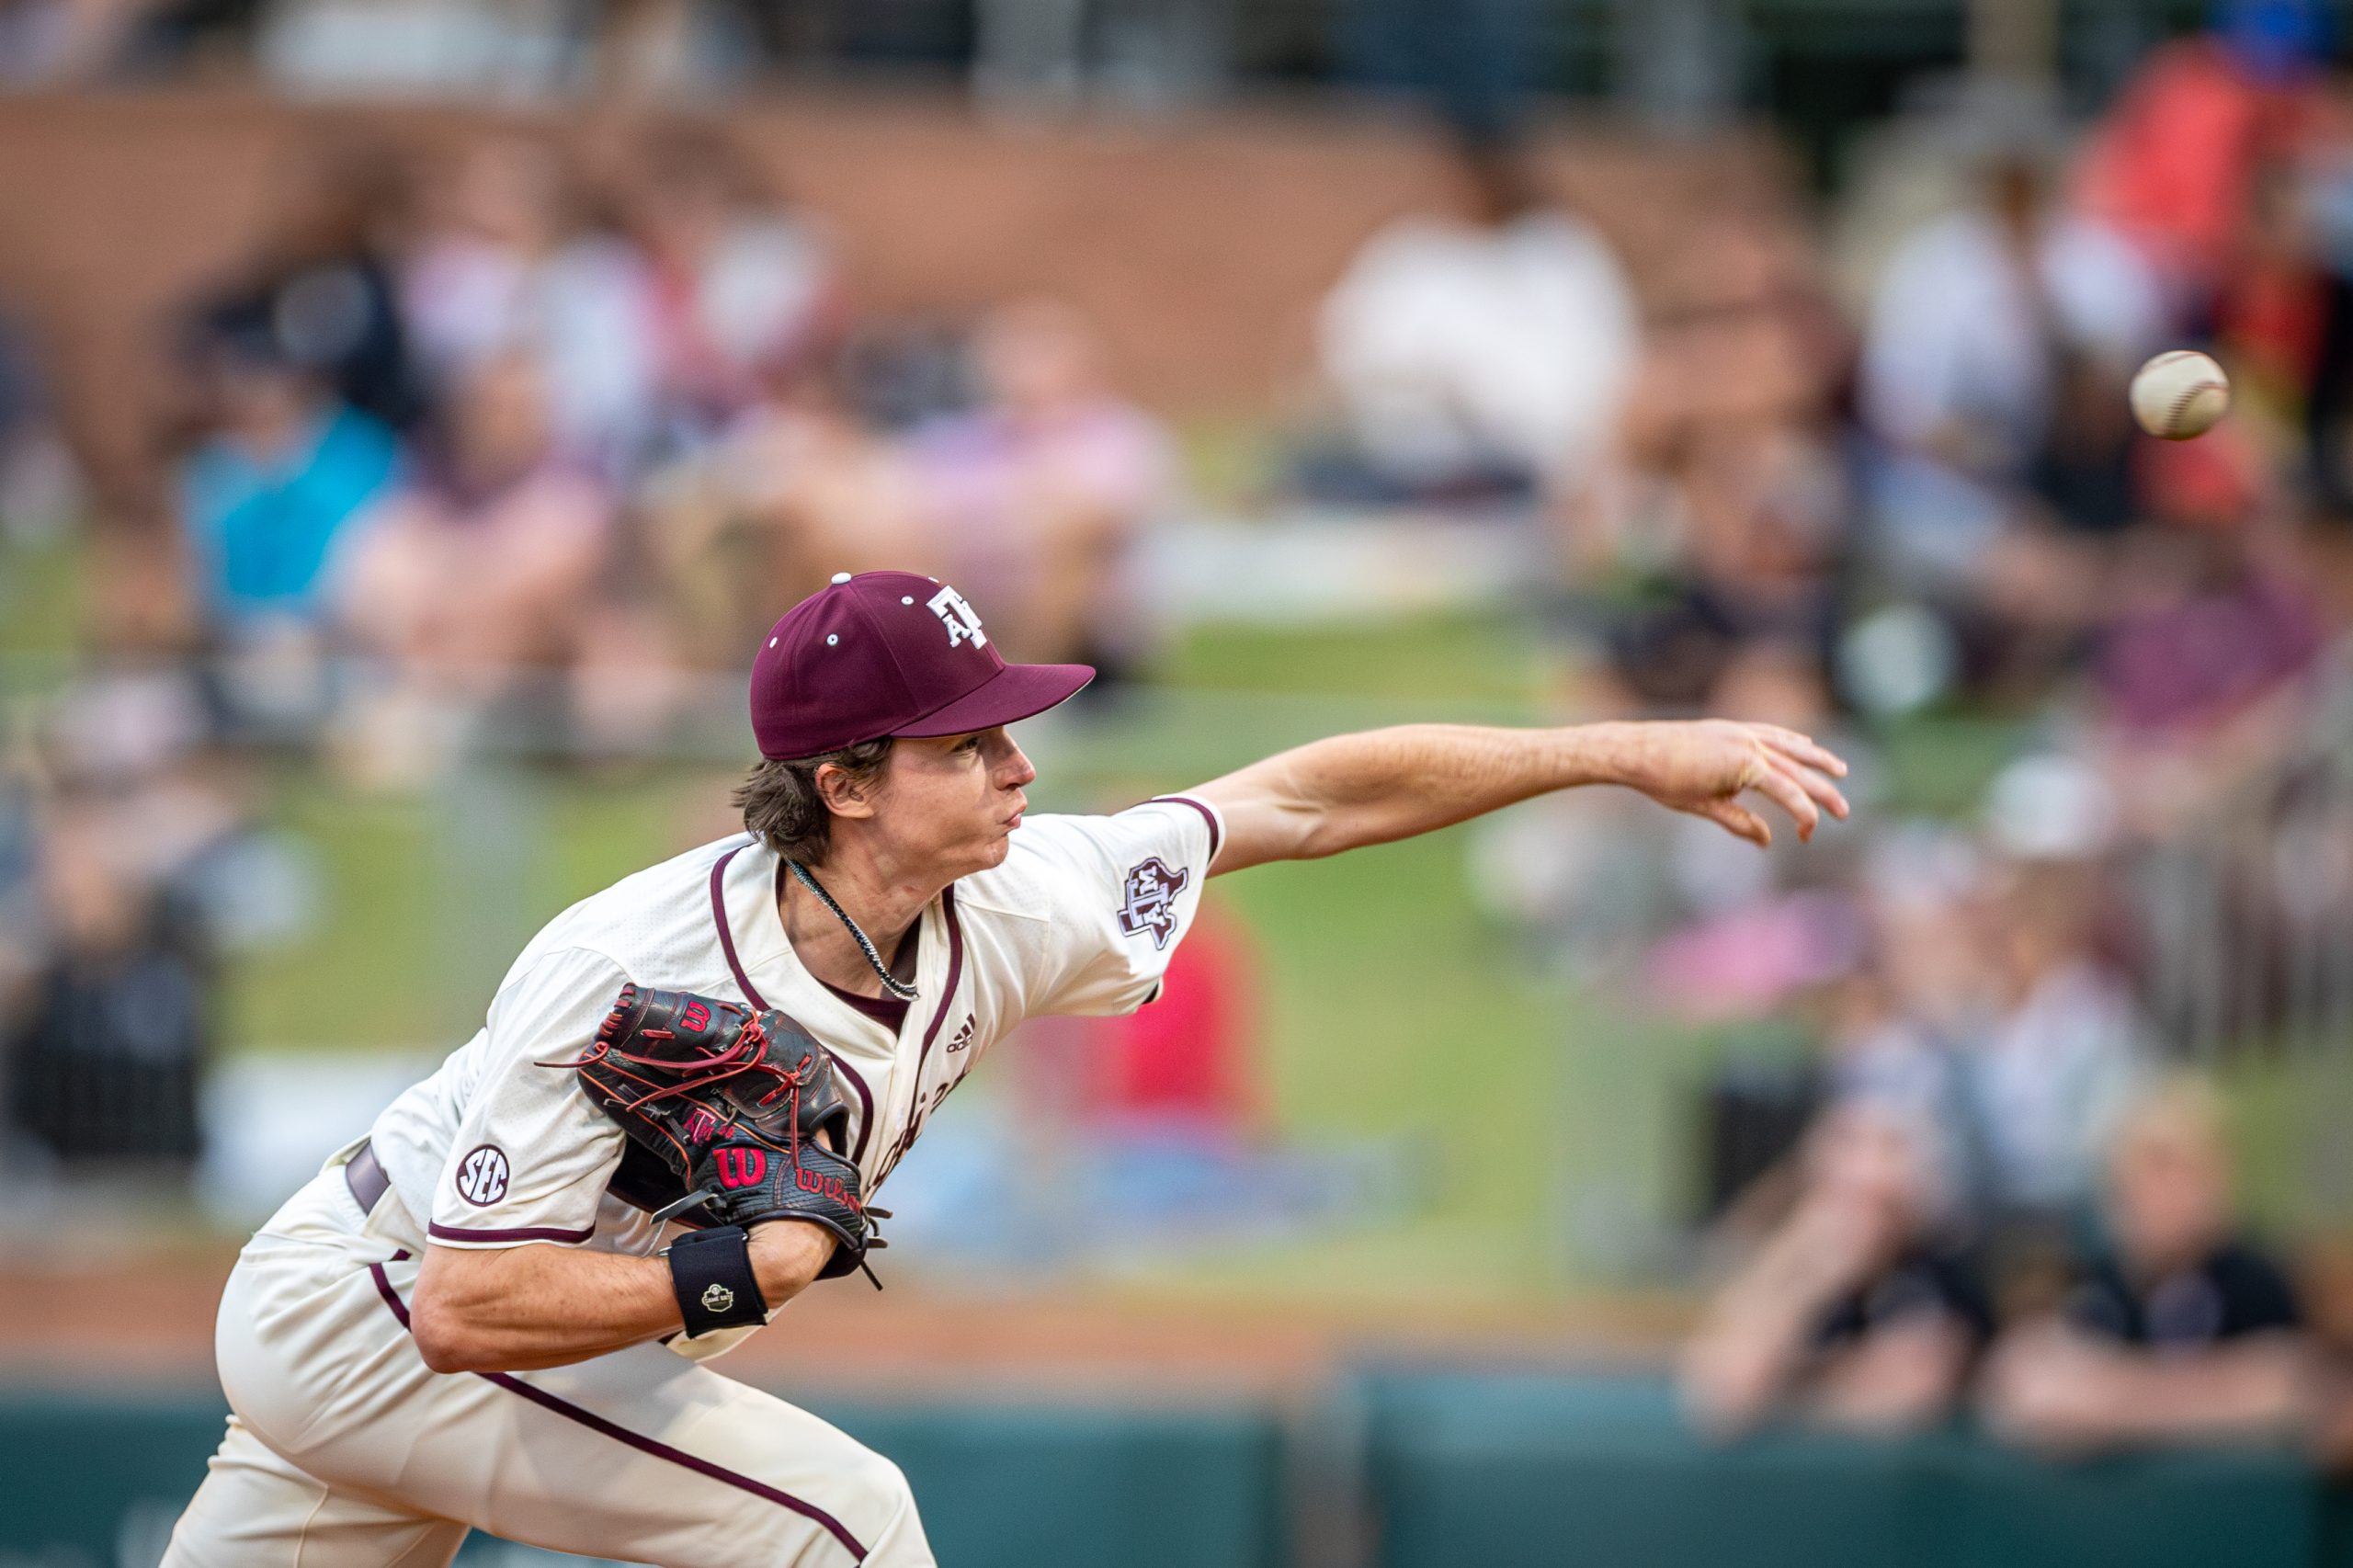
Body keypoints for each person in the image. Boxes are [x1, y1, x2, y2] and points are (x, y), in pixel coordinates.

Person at [162, 568, 1847, 1565]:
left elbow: (1307, 799)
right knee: (839, 1528)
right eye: (970, 743)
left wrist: (1627, 751)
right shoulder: (627, 967)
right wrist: (731, 1274)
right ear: (846, 782)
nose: (1021, 765)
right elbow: (467, 1307)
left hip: (432, 1327)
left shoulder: (1014, 895)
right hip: (375, 1311)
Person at [1980, 1078, 2315, 1452]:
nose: (2168, 1194)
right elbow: (2024, 1384)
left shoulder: (2255, 1282)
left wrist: (2108, 1399)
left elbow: (2283, 1384)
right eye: (2151, 1171)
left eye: (2187, 1171)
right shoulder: (2092, 1284)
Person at [1680, 1101, 1993, 1437]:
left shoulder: (1939, 1277)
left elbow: (1912, 1391)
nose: (1861, 1221)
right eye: (1847, 1198)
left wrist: (1792, 1389)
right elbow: (1725, 1390)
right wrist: (1805, 1274)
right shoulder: (1798, 1267)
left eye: (1880, 1205)